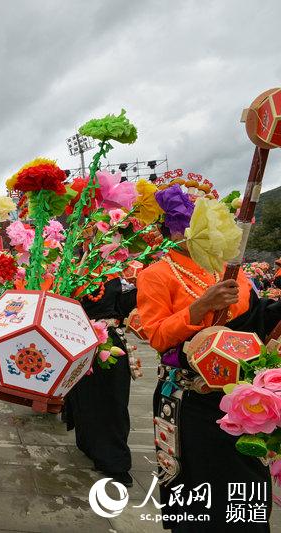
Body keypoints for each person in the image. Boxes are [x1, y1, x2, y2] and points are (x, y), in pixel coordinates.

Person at [137, 185, 281, 531]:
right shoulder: (155, 275)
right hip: (193, 401)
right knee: (200, 491)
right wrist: (199, 307)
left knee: (247, 487)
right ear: (174, 232)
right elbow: (156, 336)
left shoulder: (232, 271)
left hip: (245, 397)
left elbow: (258, 318)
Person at [64, 276, 137, 487]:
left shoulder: (121, 277)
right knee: (82, 395)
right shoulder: (73, 270)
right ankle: (88, 443)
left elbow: (130, 306)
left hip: (107, 341)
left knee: (112, 400)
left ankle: (115, 461)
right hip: (76, 340)